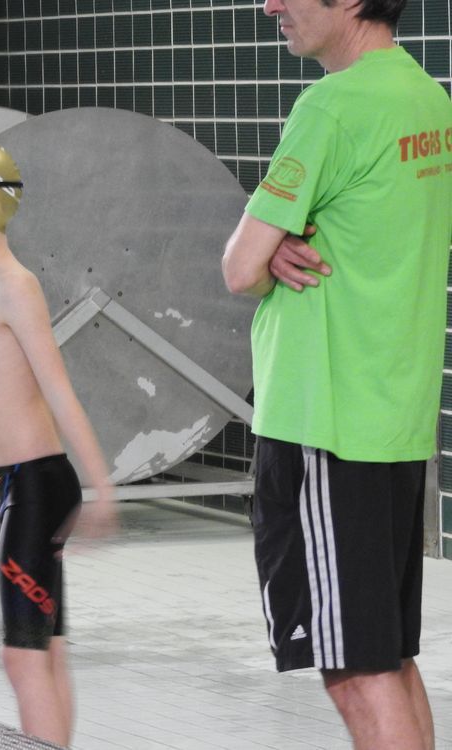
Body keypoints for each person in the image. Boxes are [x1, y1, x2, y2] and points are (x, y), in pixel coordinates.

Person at [221, 1, 452, 747]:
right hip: (391, 412)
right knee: (386, 656)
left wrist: (269, 249)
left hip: (323, 416)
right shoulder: (425, 97)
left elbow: (239, 268)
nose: (270, 4)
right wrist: (277, 245)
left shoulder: (330, 108)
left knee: (353, 668)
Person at [0, 141, 117, 747]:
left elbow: (59, 390)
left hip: (34, 488)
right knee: (46, 650)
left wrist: (102, 485)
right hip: (18, 485)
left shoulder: (14, 285)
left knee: (24, 656)